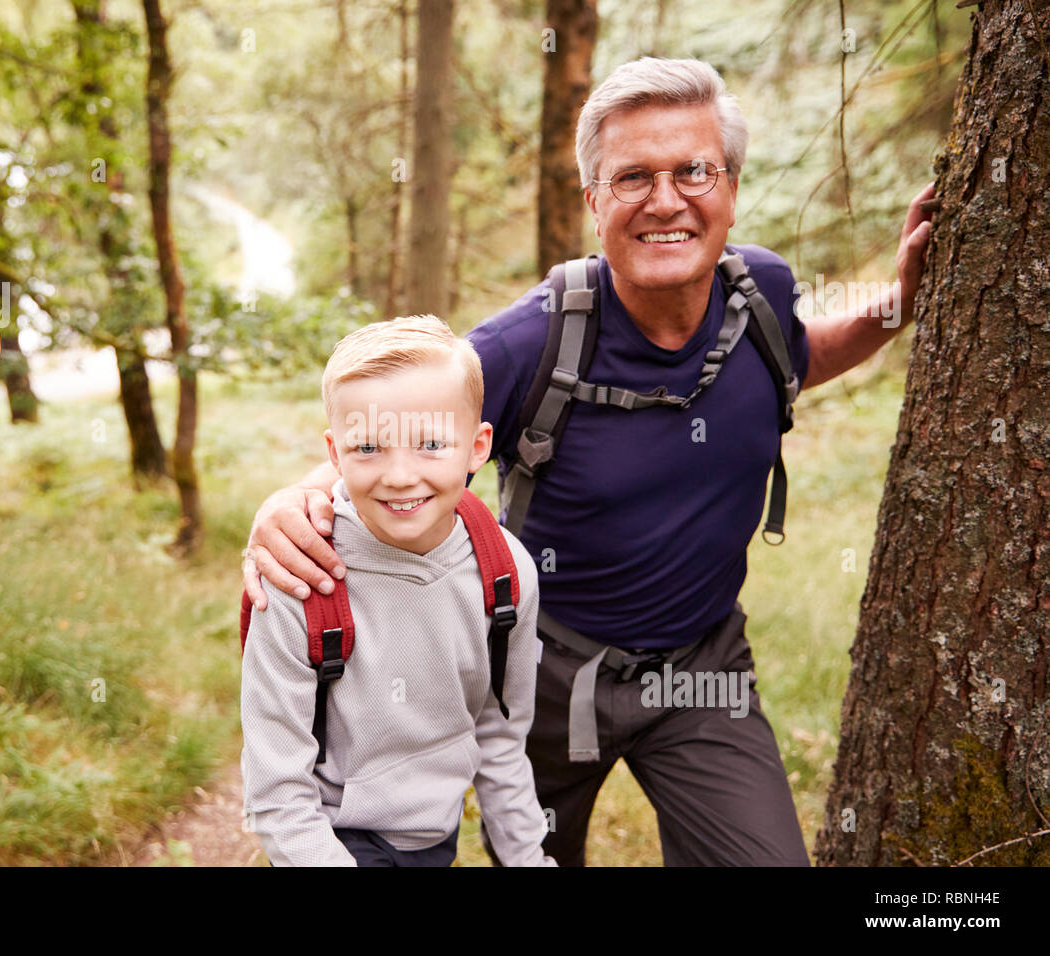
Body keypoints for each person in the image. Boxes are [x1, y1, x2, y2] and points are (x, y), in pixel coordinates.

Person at [241, 58, 935, 866]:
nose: (666, 200)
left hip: (703, 673)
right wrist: (289, 501)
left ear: (732, 187)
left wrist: (897, 305)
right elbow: (403, 429)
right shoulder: (534, 339)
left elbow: (797, 359)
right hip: (545, 676)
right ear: (594, 201)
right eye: (632, 177)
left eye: (694, 171)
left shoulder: (765, 295)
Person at [240, 314, 555, 867]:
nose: (400, 475)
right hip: (325, 841)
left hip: (434, 839)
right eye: (369, 448)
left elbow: (500, 738)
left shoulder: (507, 573)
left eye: (431, 443)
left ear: (478, 446)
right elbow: (277, 792)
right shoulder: (296, 581)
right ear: (335, 454)